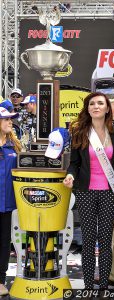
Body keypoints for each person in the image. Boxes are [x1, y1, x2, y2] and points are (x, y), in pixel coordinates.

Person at [63, 92, 114, 291]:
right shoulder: (80, 131)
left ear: (107, 108)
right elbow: (74, 164)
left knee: (106, 241)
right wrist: (70, 176)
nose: (96, 106)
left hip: (108, 193)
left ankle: (104, 287)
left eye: (100, 103)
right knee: (88, 241)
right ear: (87, 109)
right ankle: (88, 287)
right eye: (92, 104)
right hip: (86, 192)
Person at [0, 107, 21, 296]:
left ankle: (0, 280)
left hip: (7, 205)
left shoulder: (15, 146)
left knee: (5, 244)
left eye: (11, 119)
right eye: (5, 119)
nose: (10, 122)